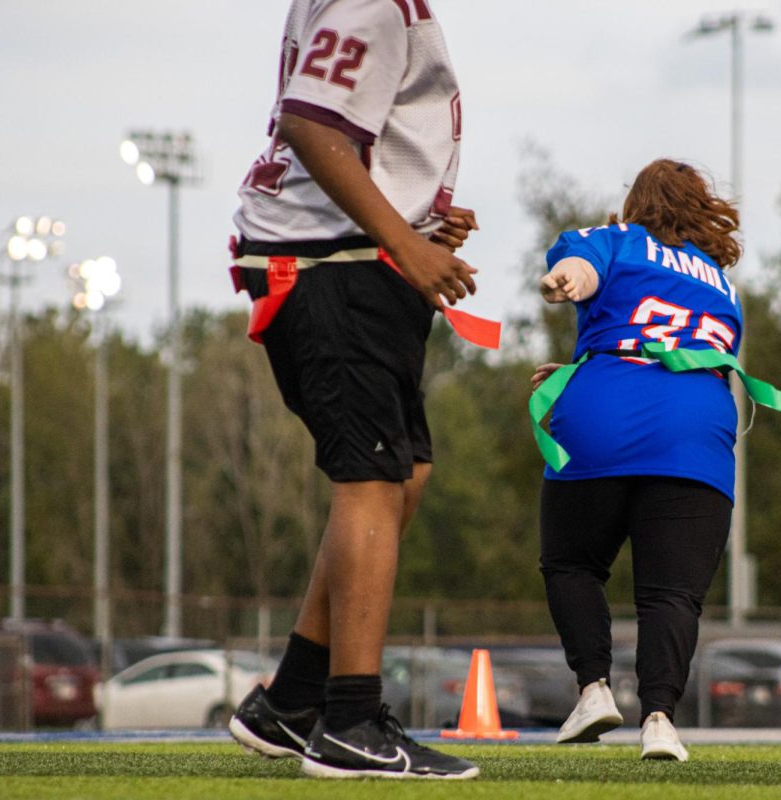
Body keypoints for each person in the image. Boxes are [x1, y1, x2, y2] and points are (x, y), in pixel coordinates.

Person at [225, 0, 480, 780]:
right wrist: (402, 237)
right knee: (370, 478)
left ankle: (294, 698)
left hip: (344, 256)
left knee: (405, 474)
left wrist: (417, 210)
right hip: (332, 265)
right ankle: (351, 719)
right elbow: (311, 123)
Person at [530, 159, 745, 762]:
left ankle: (594, 688)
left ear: (637, 202)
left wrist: (566, 280)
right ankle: (660, 721)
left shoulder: (612, 240)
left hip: (604, 416)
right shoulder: (721, 283)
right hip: (695, 432)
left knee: (571, 563)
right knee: (672, 595)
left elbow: (580, 271)